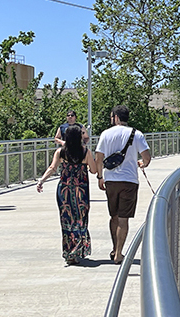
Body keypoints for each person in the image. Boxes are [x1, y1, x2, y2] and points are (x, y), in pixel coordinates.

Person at [94, 105, 151, 264]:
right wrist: (143, 164)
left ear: (116, 117)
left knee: (114, 216)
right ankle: (119, 253)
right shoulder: (136, 134)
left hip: (111, 180)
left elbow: (99, 157)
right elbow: (146, 156)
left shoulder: (106, 134)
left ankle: (114, 248)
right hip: (129, 180)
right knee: (124, 218)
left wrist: (100, 176)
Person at [36, 125, 95, 265]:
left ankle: (69, 252)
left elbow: (52, 168)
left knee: (66, 221)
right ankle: (79, 248)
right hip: (81, 191)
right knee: (81, 219)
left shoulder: (61, 152)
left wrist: (41, 181)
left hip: (65, 191)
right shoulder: (86, 152)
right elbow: (93, 170)